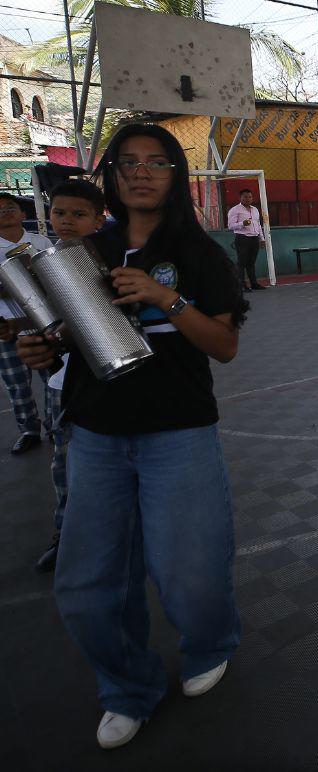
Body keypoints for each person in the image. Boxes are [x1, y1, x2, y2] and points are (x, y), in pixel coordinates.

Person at [16, 123, 247, 750]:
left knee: (192, 575)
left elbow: (223, 346)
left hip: (179, 432)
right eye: (127, 163)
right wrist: (41, 348)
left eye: (157, 162)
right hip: (95, 434)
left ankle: (208, 644)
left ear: (175, 175)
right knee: (88, 583)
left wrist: (164, 298)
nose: (141, 172)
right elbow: (64, 333)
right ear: (111, 176)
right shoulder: (84, 247)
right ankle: (126, 686)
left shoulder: (201, 254)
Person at [32, 179, 107, 574]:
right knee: (62, 463)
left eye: (79, 214)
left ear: (99, 219)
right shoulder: (41, 259)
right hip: (60, 382)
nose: (67, 221)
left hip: (102, 382)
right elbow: (39, 317)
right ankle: (65, 535)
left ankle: (110, 537)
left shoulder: (108, 260)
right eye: (60, 212)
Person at [0, 190, 53, 455]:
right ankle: (29, 430)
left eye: (10, 207)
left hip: (43, 320)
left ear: (23, 214)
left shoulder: (40, 242)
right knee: (16, 383)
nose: (5, 212)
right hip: (7, 327)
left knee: (51, 377)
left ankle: (54, 425)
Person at [226, 188, 266, 292]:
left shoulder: (255, 210)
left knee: (251, 263)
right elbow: (230, 226)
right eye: (245, 197)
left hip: (254, 239)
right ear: (240, 198)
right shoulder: (235, 210)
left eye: (250, 197)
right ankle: (242, 285)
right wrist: (242, 224)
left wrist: (262, 238)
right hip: (242, 239)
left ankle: (254, 284)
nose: (248, 199)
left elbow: (258, 224)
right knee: (241, 263)